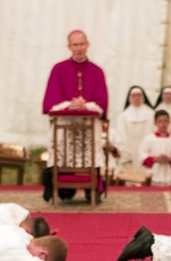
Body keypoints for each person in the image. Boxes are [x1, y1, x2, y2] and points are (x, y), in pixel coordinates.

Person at [42, 30, 109, 202]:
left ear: (87, 45)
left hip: (89, 123)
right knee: (62, 151)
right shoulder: (58, 69)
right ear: (69, 46)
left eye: (81, 44)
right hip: (64, 124)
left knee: (90, 153)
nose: (79, 48)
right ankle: (61, 189)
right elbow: (51, 100)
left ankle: (92, 191)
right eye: (75, 44)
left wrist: (85, 105)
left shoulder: (97, 71)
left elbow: (101, 101)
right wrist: (69, 104)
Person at [114, 86, 156, 176]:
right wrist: (126, 150)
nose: (137, 98)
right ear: (130, 98)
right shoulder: (123, 116)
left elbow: (154, 132)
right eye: (134, 96)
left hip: (147, 149)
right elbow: (121, 135)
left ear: (143, 97)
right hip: (129, 150)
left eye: (139, 95)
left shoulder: (151, 114)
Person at [138, 110, 171, 186]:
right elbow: (141, 154)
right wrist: (155, 159)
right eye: (160, 121)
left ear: (169, 122)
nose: (163, 124)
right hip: (153, 173)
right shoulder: (149, 139)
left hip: (169, 173)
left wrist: (170, 159)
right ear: (155, 123)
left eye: (166, 121)